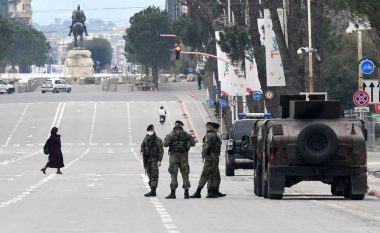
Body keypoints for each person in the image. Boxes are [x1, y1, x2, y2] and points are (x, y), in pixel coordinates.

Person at [190, 122, 225, 198]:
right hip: (215, 158)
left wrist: (203, 155)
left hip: (210, 158)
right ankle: (213, 191)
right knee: (215, 175)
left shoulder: (209, 135)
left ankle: (198, 192)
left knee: (205, 174)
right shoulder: (216, 135)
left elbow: (206, 146)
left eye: (207, 127)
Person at [163, 120, 196, 199]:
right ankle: (186, 193)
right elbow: (193, 143)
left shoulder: (171, 134)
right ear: (181, 126)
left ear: (175, 126)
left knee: (173, 174)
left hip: (174, 157)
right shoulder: (186, 135)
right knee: (185, 174)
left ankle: (173, 193)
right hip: (184, 157)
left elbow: (165, 144)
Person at [140, 124, 164, 197]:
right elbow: (142, 146)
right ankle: (152, 189)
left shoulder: (158, 140)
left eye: (151, 130)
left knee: (154, 175)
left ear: (154, 130)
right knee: (149, 174)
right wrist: (141, 152)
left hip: (154, 160)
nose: (150, 131)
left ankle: (153, 190)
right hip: (147, 160)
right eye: (149, 130)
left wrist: (159, 160)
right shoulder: (146, 138)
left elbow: (161, 151)